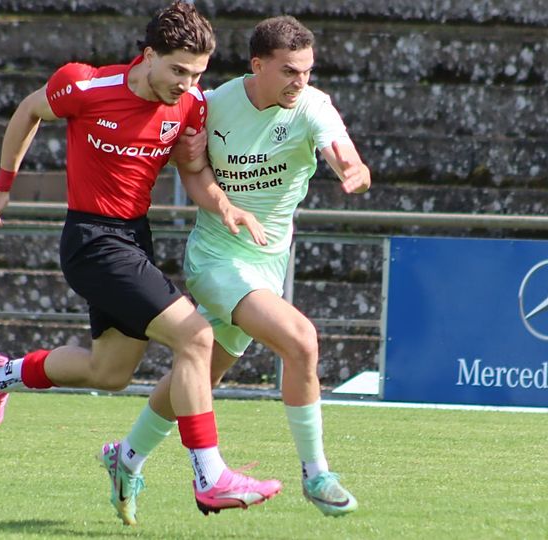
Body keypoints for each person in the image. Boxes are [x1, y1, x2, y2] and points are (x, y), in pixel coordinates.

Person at [0, 1, 282, 524]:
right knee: (197, 338)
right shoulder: (85, 85)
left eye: (197, 74)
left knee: (109, 371)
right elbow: (28, 110)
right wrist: (3, 185)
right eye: (178, 70)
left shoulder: (191, 106)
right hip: (91, 240)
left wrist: (224, 206)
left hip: (134, 239)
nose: (187, 84)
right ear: (148, 55)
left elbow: (193, 171)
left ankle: (1, 374)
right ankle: (210, 477)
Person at [106, 15, 371, 519]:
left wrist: (351, 167)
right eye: (289, 71)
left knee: (197, 377)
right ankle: (317, 474)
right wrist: (219, 198)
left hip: (268, 265)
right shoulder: (213, 104)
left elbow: (339, 149)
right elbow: (192, 169)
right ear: (258, 65)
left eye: (307, 71)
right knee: (302, 339)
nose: (300, 81)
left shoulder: (313, 106)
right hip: (217, 258)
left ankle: (127, 457)